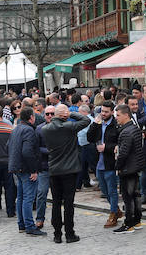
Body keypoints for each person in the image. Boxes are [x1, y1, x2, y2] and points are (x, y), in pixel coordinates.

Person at [40, 104, 91, 243]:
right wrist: (71, 114)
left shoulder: (45, 129)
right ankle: (69, 233)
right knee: (68, 203)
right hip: (69, 170)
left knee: (56, 202)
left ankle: (57, 234)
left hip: (54, 170)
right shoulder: (69, 127)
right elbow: (86, 120)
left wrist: (62, 114)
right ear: (64, 115)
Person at [8, 106, 44, 236]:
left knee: (21, 197)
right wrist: (33, 170)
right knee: (28, 198)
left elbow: (9, 147)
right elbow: (27, 151)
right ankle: (29, 226)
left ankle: (22, 224)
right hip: (26, 168)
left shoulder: (16, 129)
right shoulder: (29, 130)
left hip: (16, 167)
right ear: (31, 118)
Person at [113, 104, 146, 234]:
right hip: (136, 166)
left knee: (128, 197)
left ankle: (129, 224)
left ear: (126, 115)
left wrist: (117, 167)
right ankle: (137, 220)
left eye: (118, 115)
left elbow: (124, 153)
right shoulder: (135, 128)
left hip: (127, 168)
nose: (116, 118)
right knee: (136, 195)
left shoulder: (125, 132)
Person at [87, 102, 122, 228]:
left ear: (112, 112)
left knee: (112, 191)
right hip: (98, 163)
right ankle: (116, 210)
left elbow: (120, 144)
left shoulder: (116, 125)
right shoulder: (98, 123)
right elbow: (89, 138)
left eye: (106, 112)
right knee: (104, 190)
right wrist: (94, 125)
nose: (103, 114)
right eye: (102, 111)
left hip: (110, 163)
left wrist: (106, 147)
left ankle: (113, 215)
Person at [33, 108, 53, 229]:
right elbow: (36, 148)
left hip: (58, 167)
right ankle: (40, 219)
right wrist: (49, 151)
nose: (50, 116)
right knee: (41, 193)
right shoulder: (39, 129)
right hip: (44, 167)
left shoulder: (61, 128)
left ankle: (57, 218)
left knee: (58, 195)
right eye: (47, 114)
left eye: (52, 114)